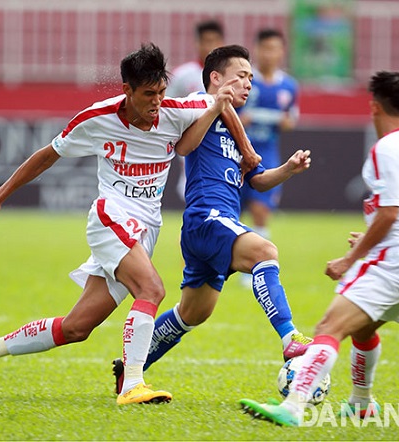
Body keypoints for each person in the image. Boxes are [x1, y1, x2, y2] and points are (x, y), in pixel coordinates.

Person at [0, 43, 259, 405]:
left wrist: (247, 150)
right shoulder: (97, 119)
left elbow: (219, 102)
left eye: (161, 92)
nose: (156, 102)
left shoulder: (177, 109)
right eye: (148, 94)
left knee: (77, 327)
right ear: (127, 91)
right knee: (152, 289)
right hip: (110, 216)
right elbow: (46, 155)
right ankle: (132, 385)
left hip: (145, 229)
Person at [239, 71, 399, 426]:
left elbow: (391, 212)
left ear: (374, 107)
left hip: (396, 259)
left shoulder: (385, 149)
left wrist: (353, 255)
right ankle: (362, 403)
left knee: (329, 327)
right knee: (362, 331)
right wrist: (370, 239)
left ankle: (293, 407)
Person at [113, 44, 312, 394]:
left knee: (194, 312)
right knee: (265, 251)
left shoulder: (236, 128)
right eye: (241, 77)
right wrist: (216, 103)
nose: (249, 84)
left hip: (216, 224)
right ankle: (290, 338)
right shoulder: (198, 105)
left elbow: (259, 179)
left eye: (251, 78)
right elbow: (184, 147)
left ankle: (130, 368)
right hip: (207, 217)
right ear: (216, 78)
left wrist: (290, 170)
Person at [239, 29, 299, 263]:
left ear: (281, 52)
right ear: (257, 50)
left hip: (267, 155)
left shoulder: (289, 86)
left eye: (274, 48)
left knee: (260, 211)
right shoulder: (245, 80)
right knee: (232, 211)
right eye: (265, 48)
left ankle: (253, 265)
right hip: (238, 154)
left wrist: (283, 122)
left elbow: (291, 120)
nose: (269, 54)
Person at [167, 19, 225, 201]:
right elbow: (167, 105)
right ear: (197, 43)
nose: (210, 46)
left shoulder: (231, 75)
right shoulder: (182, 75)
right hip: (191, 140)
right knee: (194, 190)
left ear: (221, 43)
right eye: (205, 41)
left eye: (214, 41)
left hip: (221, 141)